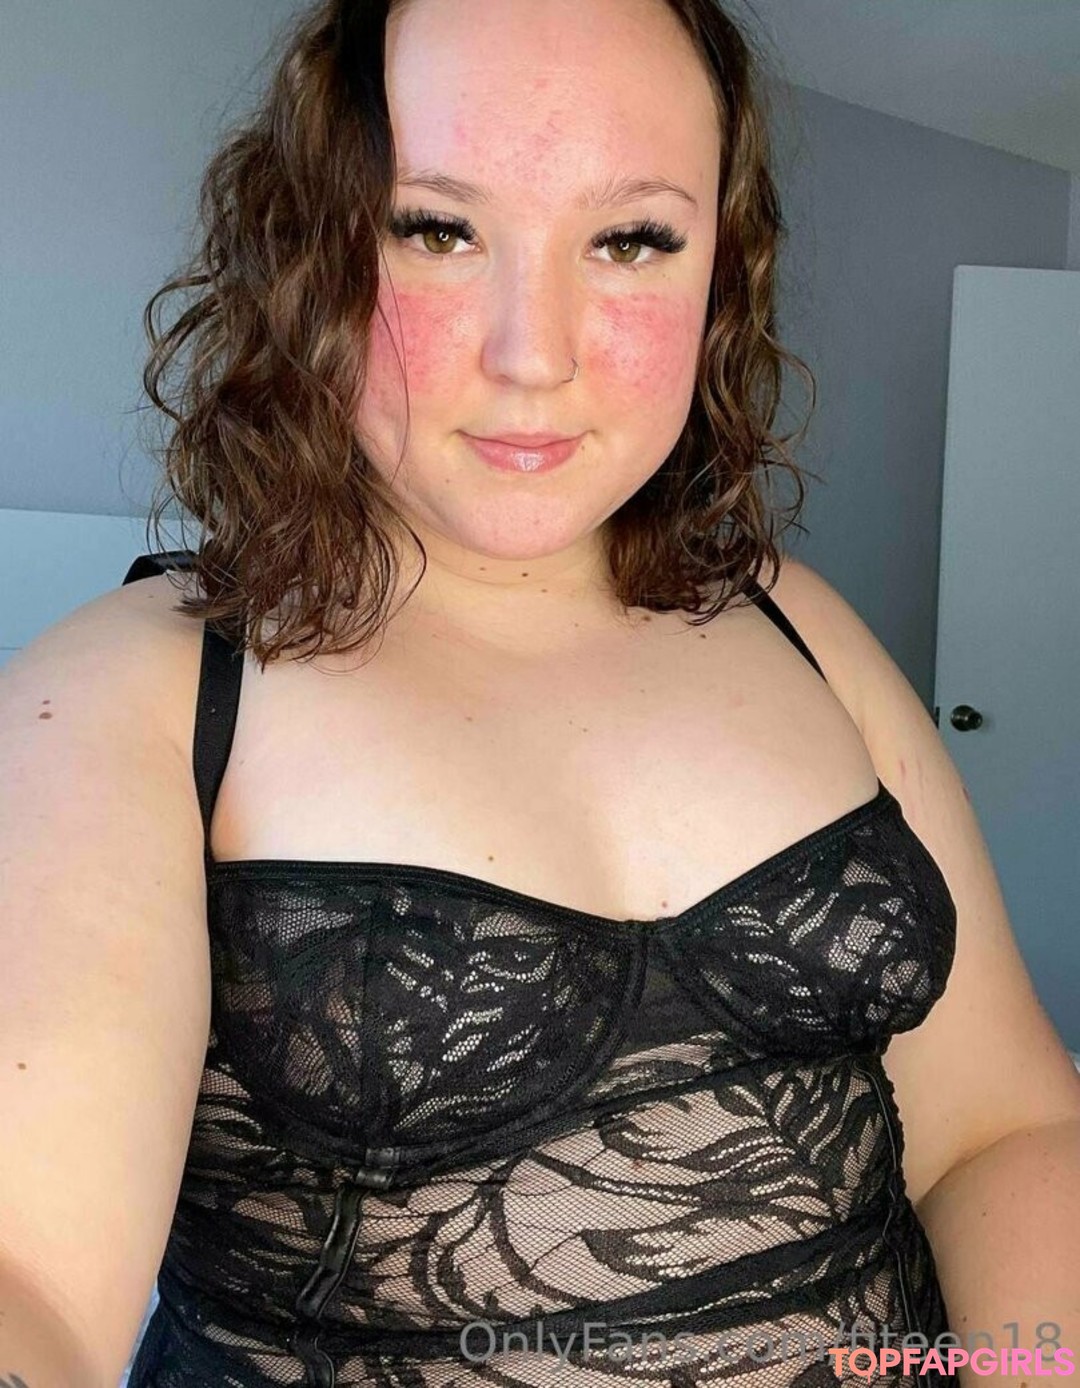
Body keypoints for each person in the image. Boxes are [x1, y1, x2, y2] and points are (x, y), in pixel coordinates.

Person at [1, 0, 1078, 1384]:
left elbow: (1002, 1128)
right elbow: (29, 1274)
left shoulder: (799, 622)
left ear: (721, 269)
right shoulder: (133, 693)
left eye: (630, 240)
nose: (534, 353)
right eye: (435, 229)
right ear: (313, 247)